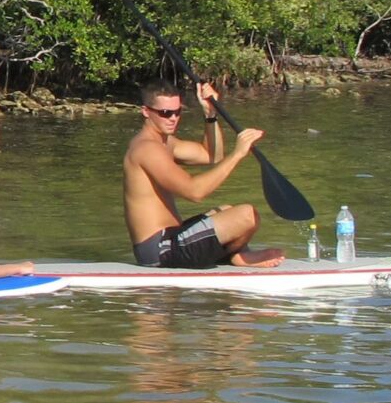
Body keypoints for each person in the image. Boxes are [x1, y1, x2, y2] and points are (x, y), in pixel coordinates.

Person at [121, 79, 283, 268]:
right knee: (247, 215)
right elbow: (194, 192)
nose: (173, 118)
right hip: (160, 250)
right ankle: (236, 257)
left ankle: (236, 255)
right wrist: (238, 154)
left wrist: (210, 115)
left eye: (177, 111)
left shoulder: (166, 143)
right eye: (165, 113)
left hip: (173, 238)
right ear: (146, 111)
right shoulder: (147, 148)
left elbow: (212, 155)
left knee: (227, 209)